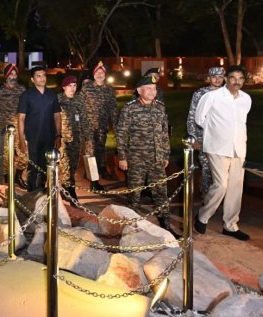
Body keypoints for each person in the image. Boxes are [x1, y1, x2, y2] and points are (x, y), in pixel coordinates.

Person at [194, 65, 252, 240]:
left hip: (239, 147)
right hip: (217, 147)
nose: (236, 82)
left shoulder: (246, 99)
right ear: (226, 78)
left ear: (244, 81)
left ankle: (230, 225)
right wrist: (215, 132)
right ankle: (203, 216)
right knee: (221, 185)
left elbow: (241, 121)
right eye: (233, 77)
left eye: (240, 78)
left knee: (236, 187)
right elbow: (199, 118)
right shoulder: (212, 96)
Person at [115, 74, 177, 237]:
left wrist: (165, 154)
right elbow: (121, 133)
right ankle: (132, 229)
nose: (152, 91)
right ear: (139, 90)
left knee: (161, 193)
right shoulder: (130, 108)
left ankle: (166, 226)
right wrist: (122, 157)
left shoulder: (159, 107)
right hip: (136, 159)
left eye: (154, 88)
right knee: (135, 195)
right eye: (148, 88)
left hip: (157, 160)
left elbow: (164, 133)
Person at [18, 66, 61, 192]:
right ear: (32, 79)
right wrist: (21, 140)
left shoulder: (51, 94)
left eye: (44, 75)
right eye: (38, 76)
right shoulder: (27, 95)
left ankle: (42, 192)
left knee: (46, 166)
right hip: (33, 137)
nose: (42, 78)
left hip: (49, 137)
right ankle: (31, 193)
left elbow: (57, 115)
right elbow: (21, 118)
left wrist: (59, 135)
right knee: (33, 167)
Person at [186, 66, 225, 196]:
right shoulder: (200, 93)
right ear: (209, 78)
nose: (217, 80)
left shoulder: (227, 94)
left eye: (220, 77)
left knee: (221, 170)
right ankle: (206, 196)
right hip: (203, 137)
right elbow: (192, 116)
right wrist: (193, 138)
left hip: (223, 138)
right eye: (214, 77)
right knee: (207, 168)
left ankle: (218, 197)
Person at [81, 61, 118, 191]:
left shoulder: (109, 90)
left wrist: (115, 125)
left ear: (105, 75)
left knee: (100, 150)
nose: (100, 75)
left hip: (102, 126)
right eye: (97, 72)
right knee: (90, 152)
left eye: (102, 72)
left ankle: (96, 171)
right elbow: (80, 106)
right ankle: (94, 182)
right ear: (93, 74)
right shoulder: (87, 88)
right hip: (89, 127)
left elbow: (113, 109)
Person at [58, 75, 92, 200]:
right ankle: (71, 192)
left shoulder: (79, 100)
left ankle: (64, 188)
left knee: (73, 166)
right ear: (64, 87)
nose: (72, 88)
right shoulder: (57, 99)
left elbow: (84, 120)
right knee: (66, 165)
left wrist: (88, 139)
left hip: (77, 139)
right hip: (62, 140)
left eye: (74, 86)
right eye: (69, 86)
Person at [0, 63, 28, 186]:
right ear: (6, 76)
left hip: (20, 126)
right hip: (6, 128)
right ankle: (7, 178)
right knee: (6, 155)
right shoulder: (0, 91)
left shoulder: (22, 90)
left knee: (24, 153)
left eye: (15, 74)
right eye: (11, 74)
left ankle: (19, 175)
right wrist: (1, 122)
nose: (13, 77)